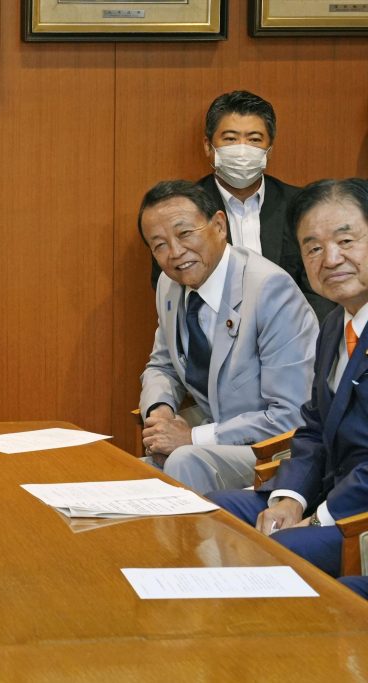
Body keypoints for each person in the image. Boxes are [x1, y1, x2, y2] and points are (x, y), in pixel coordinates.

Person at [208, 179, 368, 578]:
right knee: (211, 513)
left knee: (273, 555)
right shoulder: (334, 324)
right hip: (327, 492)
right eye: (313, 247)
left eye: (346, 241)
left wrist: (321, 517)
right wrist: (288, 498)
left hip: (357, 513)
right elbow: (314, 429)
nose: (330, 259)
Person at [138, 180, 317, 493]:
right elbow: (162, 364)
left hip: (274, 449)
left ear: (219, 226)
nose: (176, 253)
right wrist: (160, 412)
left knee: (184, 460)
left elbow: (291, 414)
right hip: (212, 434)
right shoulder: (170, 286)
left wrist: (192, 437)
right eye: (159, 245)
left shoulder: (269, 290)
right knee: (131, 473)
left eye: (184, 234)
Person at [148, 90, 332, 319]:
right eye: (230, 139)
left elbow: (322, 284)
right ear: (208, 146)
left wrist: (291, 336)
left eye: (254, 139)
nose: (242, 149)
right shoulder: (180, 209)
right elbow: (172, 286)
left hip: (293, 341)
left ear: (269, 149)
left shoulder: (301, 205)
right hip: (211, 342)